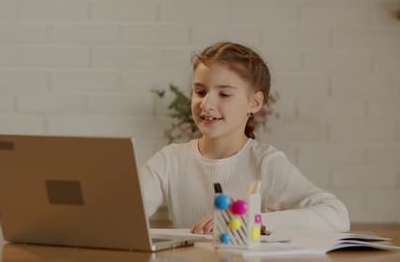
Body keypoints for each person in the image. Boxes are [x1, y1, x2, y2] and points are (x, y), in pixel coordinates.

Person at [139, 41, 350, 234]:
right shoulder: (170, 160)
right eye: (200, 91)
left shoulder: (266, 163)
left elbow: (336, 215)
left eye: (224, 94)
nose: (206, 104)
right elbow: (126, 212)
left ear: (255, 103)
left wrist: (252, 220)